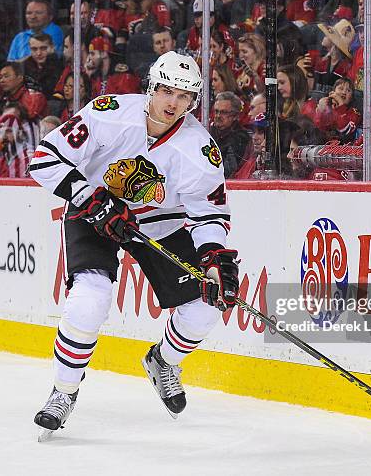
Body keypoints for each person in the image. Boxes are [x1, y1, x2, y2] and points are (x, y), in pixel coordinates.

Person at [29, 51, 239, 433]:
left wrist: (213, 257)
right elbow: (44, 159)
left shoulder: (200, 150)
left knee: (205, 308)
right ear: (151, 87)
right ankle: (63, 391)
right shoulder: (107, 113)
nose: (173, 103)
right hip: (94, 210)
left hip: (159, 223)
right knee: (90, 300)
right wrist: (90, 197)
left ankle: (164, 361)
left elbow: (208, 214)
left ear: (194, 102)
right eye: (166, 91)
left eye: (184, 96)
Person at [210, 91, 250, 177]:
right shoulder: (209, 132)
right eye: (216, 111)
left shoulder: (240, 138)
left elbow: (229, 170)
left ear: (235, 115)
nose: (218, 116)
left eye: (224, 112)